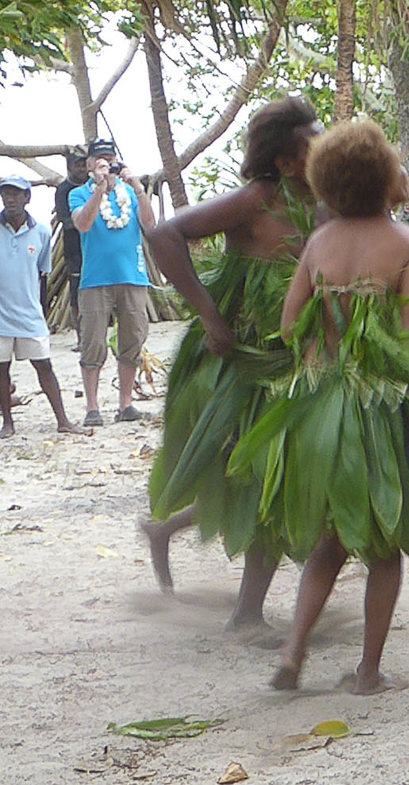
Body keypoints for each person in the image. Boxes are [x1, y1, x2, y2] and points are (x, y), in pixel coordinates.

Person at [236, 120, 409, 694]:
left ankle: (293, 654)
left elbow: (291, 324)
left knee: (329, 542)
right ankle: (368, 672)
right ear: (381, 177)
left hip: (320, 405)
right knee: (385, 544)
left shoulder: (320, 243)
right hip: (378, 408)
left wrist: (330, 339)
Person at [140, 97, 324, 629]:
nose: (324, 147)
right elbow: (163, 235)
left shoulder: (323, 201)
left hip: (296, 355)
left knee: (268, 474)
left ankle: (167, 530)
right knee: (260, 476)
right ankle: (246, 614)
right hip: (246, 357)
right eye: (311, 143)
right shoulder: (258, 199)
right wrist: (210, 316)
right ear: (285, 162)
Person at [69, 138, 155, 426]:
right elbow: (83, 224)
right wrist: (99, 190)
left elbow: (150, 225)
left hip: (132, 276)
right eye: (100, 160)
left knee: (132, 338)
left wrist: (140, 190)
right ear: (90, 164)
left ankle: (126, 404)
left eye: (110, 159)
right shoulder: (79, 194)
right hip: (95, 280)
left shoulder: (129, 192)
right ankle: (92, 408)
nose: (107, 164)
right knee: (93, 342)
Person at [1, 176, 89, 438]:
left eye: (16, 194)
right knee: (1, 370)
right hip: (0, 316)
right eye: (6, 194)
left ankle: (63, 420)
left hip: (29, 314)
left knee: (44, 367)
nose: (10, 199)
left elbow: (42, 276)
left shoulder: (40, 232)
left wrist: (42, 310)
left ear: (27, 198)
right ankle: (8, 423)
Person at [52, 149, 89, 345]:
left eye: (84, 164)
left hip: (94, 247)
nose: (82, 169)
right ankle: (81, 339)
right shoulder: (63, 190)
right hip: (75, 249)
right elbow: (66, 221)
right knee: (76, 291)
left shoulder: (92, 187)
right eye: (78, 165)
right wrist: (87, 220)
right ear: (69, 167)